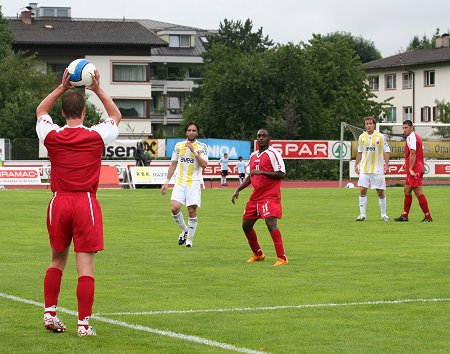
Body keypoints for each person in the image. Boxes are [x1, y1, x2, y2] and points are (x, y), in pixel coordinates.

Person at [36, 68, 122, 336]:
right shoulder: (96, 135)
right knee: (85, 267)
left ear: (62, 113)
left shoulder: (52, 135)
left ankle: (50, 313)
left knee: (56, 260)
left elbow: (40, 111)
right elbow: (116, 116)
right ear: (85, 112)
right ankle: (83, 324)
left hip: (59, 202)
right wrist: (97, 89)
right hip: (85, 202)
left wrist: (61, 87)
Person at [231, 128, 288, 266]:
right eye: (259, 136)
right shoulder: (253, 155)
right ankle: (258, 254)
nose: (261, 138)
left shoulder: (273, 153)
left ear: (269, 138)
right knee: (246, 226)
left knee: (271, 223)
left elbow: (282, 173)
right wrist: (238, 189)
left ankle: (282, 258)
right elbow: (251, 176)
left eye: (264, 136)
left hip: (270, 195)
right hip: (256, 196)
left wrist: (261, 172)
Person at [161, 122, 208, 247]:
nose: (191, 132)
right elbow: (173, 164)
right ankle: (185, 230)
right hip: (180, 182)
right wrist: (166, 182)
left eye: (194, 130)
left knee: (191, 210)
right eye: (189, 130)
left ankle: (189, 241)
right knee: (174, 207)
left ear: (197, 132)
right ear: (186, 132)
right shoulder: (178, 146)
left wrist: (194, 152)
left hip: (194, 183)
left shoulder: (202, 147)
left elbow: (204, 165)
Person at [394, 120, 432, 222]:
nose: (404, 130)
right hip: (414, 167)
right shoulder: (414, 137)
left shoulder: (412, 137)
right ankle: (405, 216)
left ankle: (428, 216)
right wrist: (406, 164)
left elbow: (413, 153)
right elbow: (412, 154)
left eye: (406, 127)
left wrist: (410, 168)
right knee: (406, 190)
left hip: (415, 169)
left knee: (418, 192)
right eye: (403, 128)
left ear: (412, 127)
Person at [354, 116, 390, 222]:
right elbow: (360, 152)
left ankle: (384, 215)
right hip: (364, 169)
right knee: (362, 190)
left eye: (370, 123)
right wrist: (356, 165)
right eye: (366, 123)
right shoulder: (362, 137)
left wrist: (386, 164)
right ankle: (362, 215)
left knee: (380, 192)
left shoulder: (380, 136)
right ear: (365, 125)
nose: (368, 125)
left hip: (377, 169)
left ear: (374, 124)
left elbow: (386, 151)